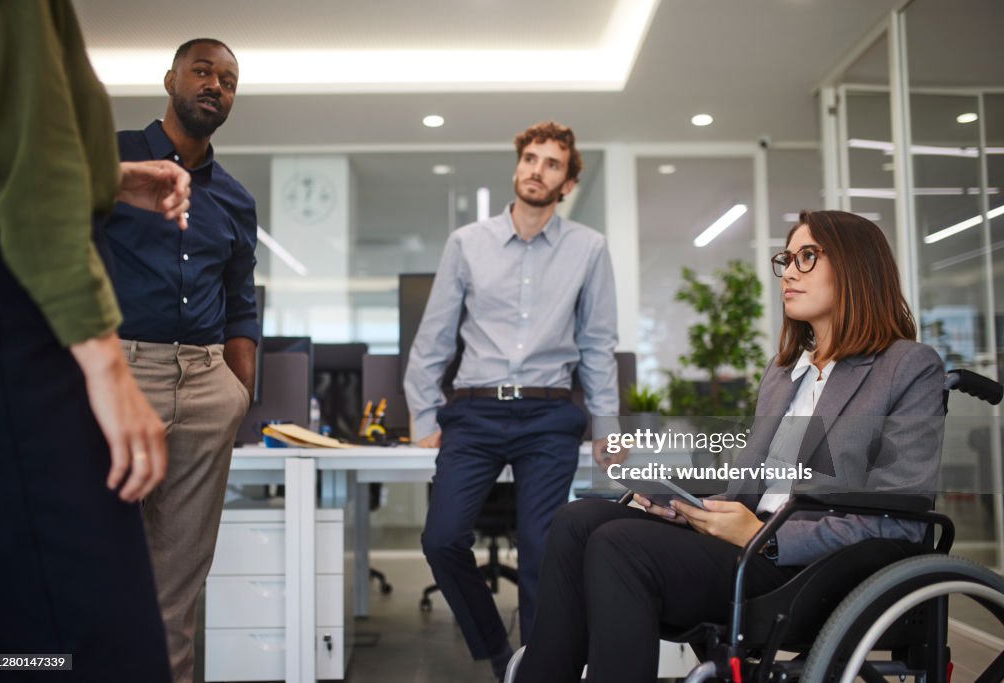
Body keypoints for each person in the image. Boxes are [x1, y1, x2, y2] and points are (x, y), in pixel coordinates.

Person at [514, 210, 946, 683]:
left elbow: (900, 522)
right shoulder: (784, 373)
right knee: (577, 520)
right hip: (752, 540)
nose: (791, 273)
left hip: (810, 567)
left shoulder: (907, 367)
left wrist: (770, 537)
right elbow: (752, 491)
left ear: (857, 267)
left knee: (620, 544)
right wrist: (693, 509)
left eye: (809, 257)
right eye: (788, 259)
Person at [0, 1, 192, 680]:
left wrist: (109, 178)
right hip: (18, 315)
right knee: (98, 636)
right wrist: (107, 363)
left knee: (19, 624)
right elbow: (30, 165)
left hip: (15, 300)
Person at [404, 121, 622, 681]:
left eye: (552, 163)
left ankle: (537, 670)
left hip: (549, 414)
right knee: (442, 537)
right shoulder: (467, 243)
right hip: (473, 412)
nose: (536, 169)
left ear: (567, 183)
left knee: (543, 551)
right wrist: (424, 413)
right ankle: (502, 654)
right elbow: (434, 336)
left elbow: (598, 345)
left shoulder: (589, 249)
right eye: (530, 157)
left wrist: (607, 426)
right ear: (516, 165)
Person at [100, 37, 258, 683]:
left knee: (179, 581)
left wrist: (239, 395)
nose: (215, 84)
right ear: (170, 78)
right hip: (118, 376)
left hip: (203, 385)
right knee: (93, 560)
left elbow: (241, 306)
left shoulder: (236, 199)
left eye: (228, 78)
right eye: (202, 70)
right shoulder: (108, 157)